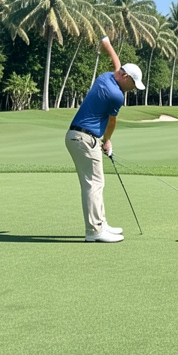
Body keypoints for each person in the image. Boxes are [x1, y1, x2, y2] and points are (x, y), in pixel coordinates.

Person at [66, 36, 145, 243]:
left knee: (98, 182)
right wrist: (107, 141)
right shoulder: (116, 95)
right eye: (133, 84)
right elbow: (112, 122)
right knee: (93, 184)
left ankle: (101, 223)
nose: (133, 88)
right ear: (126, 77)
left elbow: (117, 65)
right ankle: (94, 231)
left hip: (79, 137)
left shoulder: (106, 77)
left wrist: (107, 46)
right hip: (84, 138)